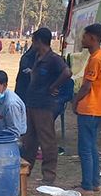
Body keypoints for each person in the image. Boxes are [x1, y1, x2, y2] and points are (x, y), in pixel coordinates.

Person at [20, 28, 72, 185]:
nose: (32, 43)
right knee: (29, 140)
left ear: (38, 41)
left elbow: (67, 73)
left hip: (44, 105)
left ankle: (49, 175)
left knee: (47, 140)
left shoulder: (54, 59)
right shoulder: (38, 57)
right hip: (32, 103)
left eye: (34, 40)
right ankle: (26, 171)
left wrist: (53, 86)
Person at [73, 23, 101, 195]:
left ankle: (87, 186)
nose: (82, 39)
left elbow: (87, 86)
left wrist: (75, 101)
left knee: (85, 148)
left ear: (93, 38)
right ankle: (95, 182)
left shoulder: (96, 59)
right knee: (92, 146)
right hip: (99, 108)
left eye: (84, 36)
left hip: (90, 108)